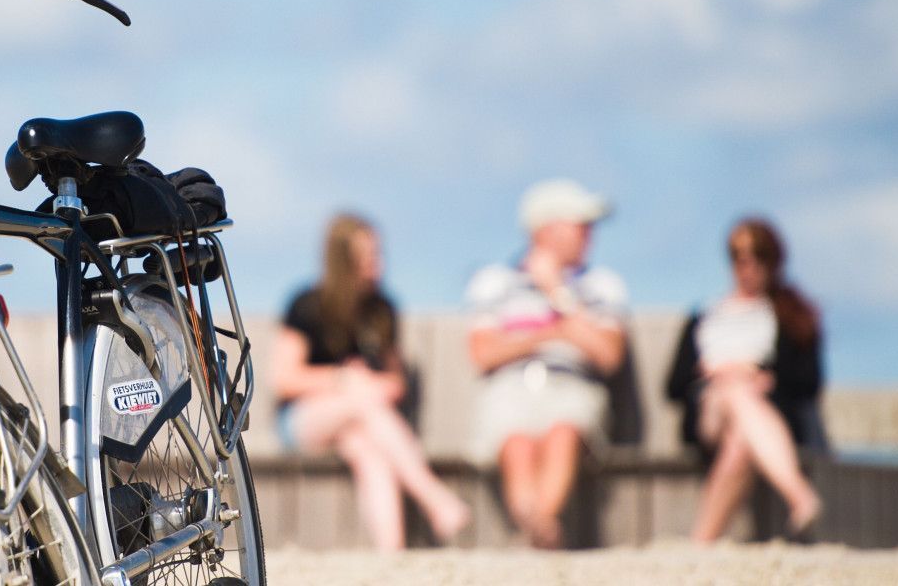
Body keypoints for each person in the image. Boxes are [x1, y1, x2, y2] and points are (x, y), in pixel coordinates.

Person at [272, 213, 470, 551]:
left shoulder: (382, 310)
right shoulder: (307, 304)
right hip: (303, 421)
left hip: (363, 422)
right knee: (360, 399)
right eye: (367, 256)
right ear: (343, 260)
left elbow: (396, 383)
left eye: (378, 254)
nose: (377, 264)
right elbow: (285, 380)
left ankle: (390, 554)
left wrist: (368, 385)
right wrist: (344, 379)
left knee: (366, 449)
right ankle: (435, 498)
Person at [465, 178, 627, 549]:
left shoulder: (601, 284)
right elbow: (482, 354)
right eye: (581, 224)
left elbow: (608, 355)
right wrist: (553, 334)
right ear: (547, 229)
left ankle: (534, 531)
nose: (591, 234)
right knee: (517, 441)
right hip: (510, 388)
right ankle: (540, 529)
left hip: (573, 387)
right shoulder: (495, 281)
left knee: (563, 432)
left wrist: (557, 292)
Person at [666, 217, 825, 543]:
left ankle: (700, 542)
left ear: (773, 261)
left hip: (761, 414)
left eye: (758, 257)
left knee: (740, 440)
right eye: (739, 257)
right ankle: (798, 494)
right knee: (735, 392)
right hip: (709, 411)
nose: (748, 266)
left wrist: (765, 377)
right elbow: (673, 385)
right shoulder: (705, 315)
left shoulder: (791, 314)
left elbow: (808, 381)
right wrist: (716, 373)